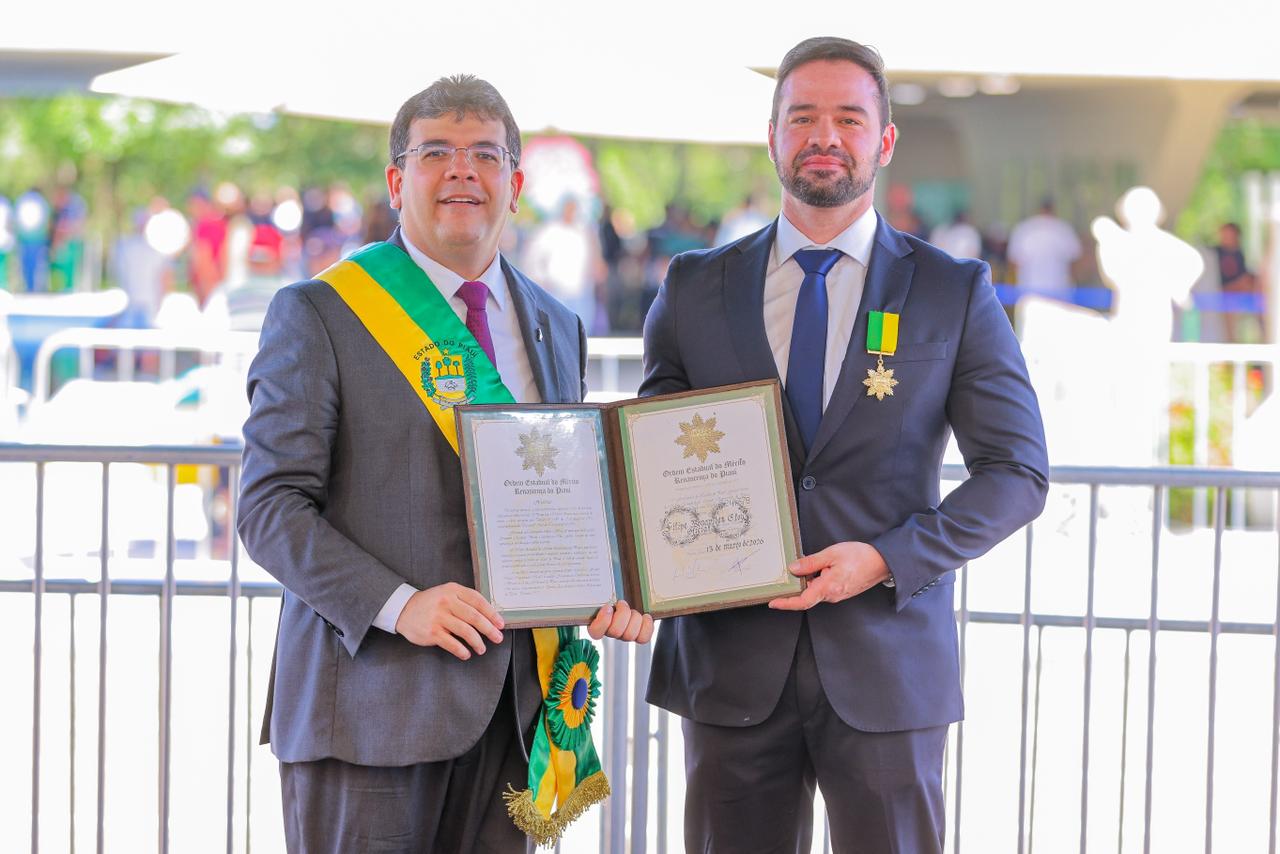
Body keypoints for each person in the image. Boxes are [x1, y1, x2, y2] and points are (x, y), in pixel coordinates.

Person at [640, 37, 1048, 853]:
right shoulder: (693, 286)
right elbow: (647, 463)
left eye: (849, 119)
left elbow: (1017, 472)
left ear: (884, 140)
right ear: (772, 135)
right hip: (728, 667)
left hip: (887, 665)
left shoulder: (953, 291)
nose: (824, 136)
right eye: (802, 117)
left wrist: (888, 558)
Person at [237, 75, 653, 854]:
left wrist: (620, 580)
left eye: (485, 155)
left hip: (515, 716)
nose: (463, 170)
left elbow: (557, 496)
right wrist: (400, 605)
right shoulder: (319, 313)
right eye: (436, 153)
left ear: (516, 186)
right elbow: (269, 509)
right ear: (397, 183)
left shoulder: (556, 324)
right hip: (370, 712)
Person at [1007, 197, 1082, 290]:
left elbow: (1013, 263)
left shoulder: (1024, 229)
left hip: (1029, 288)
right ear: (1054, 209)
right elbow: (1075, 262)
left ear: (1038, 209)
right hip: (1058, 289)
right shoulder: (1064, 229)